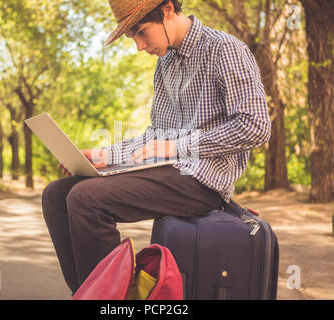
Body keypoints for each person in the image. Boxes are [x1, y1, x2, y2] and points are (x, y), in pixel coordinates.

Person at [42, 0, 271, 295]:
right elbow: (155, 137)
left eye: (141, 32)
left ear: (166, 10)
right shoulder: (165, 64)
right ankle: (90, 293)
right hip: (168, 171)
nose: (139, 46)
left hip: (203, 181)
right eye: (131, 37)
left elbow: (255, 126)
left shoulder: (225, 49)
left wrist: (175, 147)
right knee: (56, 194)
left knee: (87, 199)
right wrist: (104, 155)